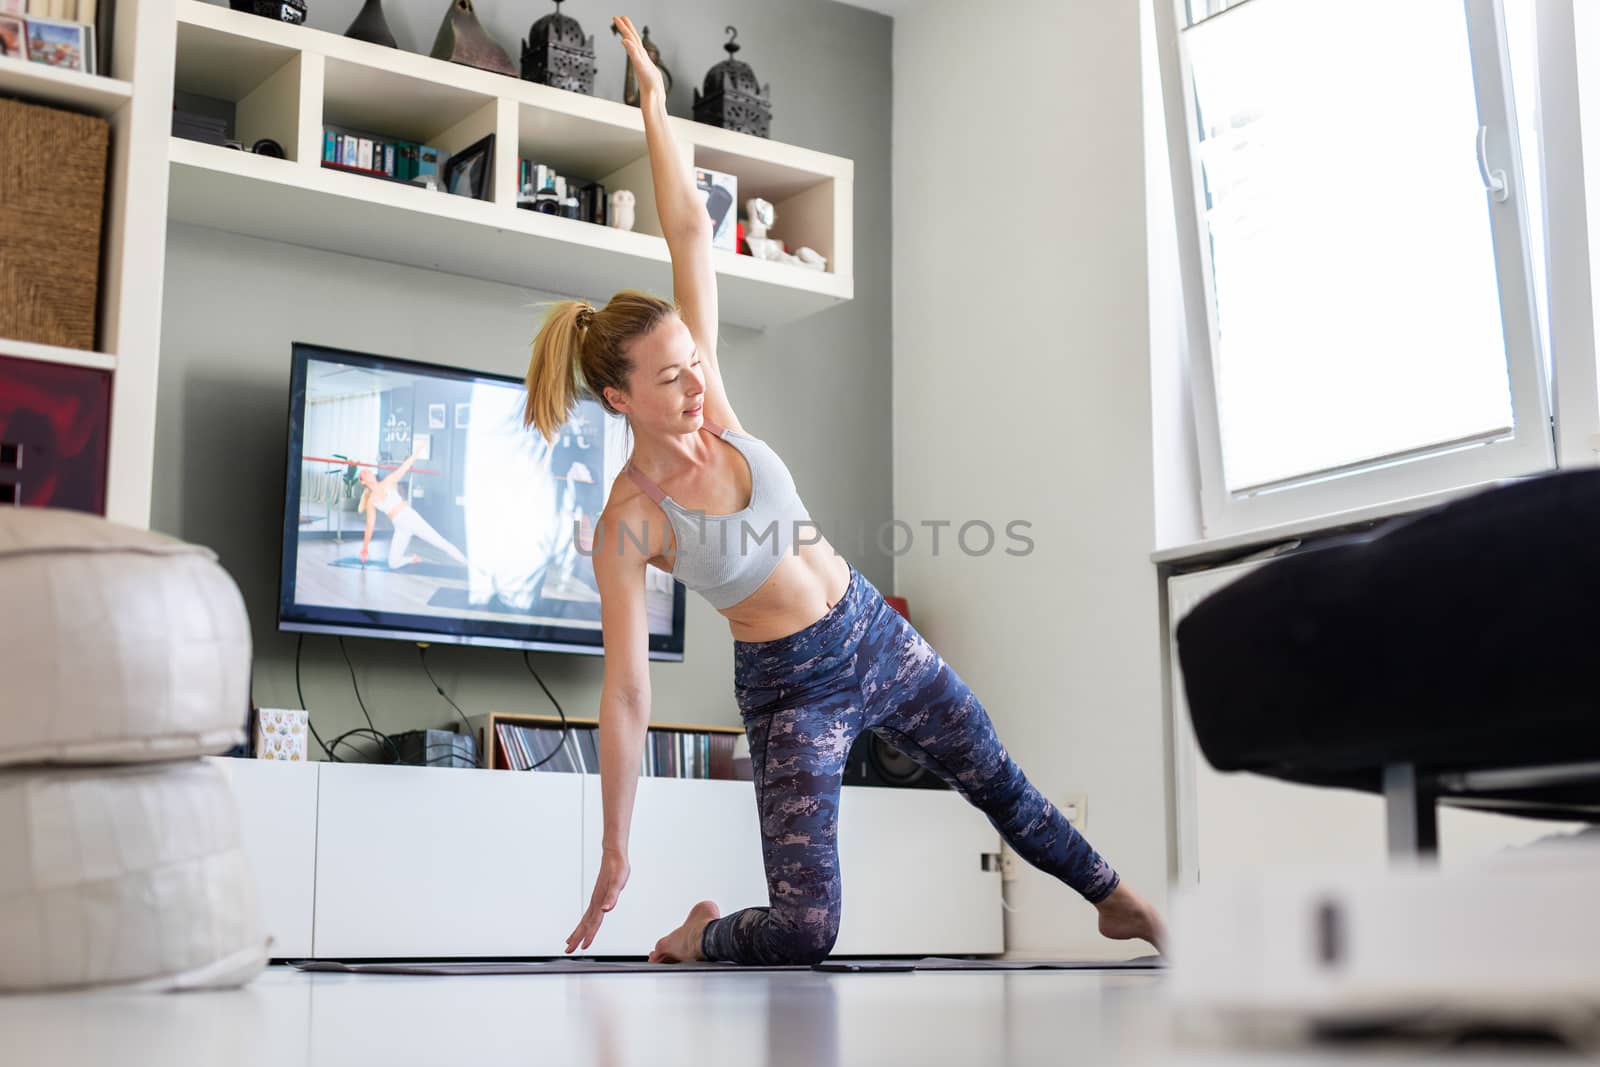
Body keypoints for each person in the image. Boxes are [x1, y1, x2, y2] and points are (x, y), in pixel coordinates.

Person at [523, 16, 1167, 966]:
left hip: (869, 625)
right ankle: (700, 935)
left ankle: (1123, 902)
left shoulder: (720, 410)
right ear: (618, 397)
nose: (697, 385)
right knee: (805, 932)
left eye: (696, 363)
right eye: (670, 379)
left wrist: (656, 105)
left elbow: (691, 229)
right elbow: (625, 693)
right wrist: (617, 844)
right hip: (791, 692)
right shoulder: (629, 522)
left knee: (996, 773)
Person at [357, 447, 470, 571]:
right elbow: (369, 525)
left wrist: (417, 452)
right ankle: (413, 559)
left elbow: (404, 468)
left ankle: (469, 565)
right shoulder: (370, 501)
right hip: (400, 526)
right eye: (364, 473)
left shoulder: (387, 481)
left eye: (368, 471)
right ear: (362, 482)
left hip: (409, 517)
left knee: (441, 543)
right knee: (393, 563)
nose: (368, 472)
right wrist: (365, 548)